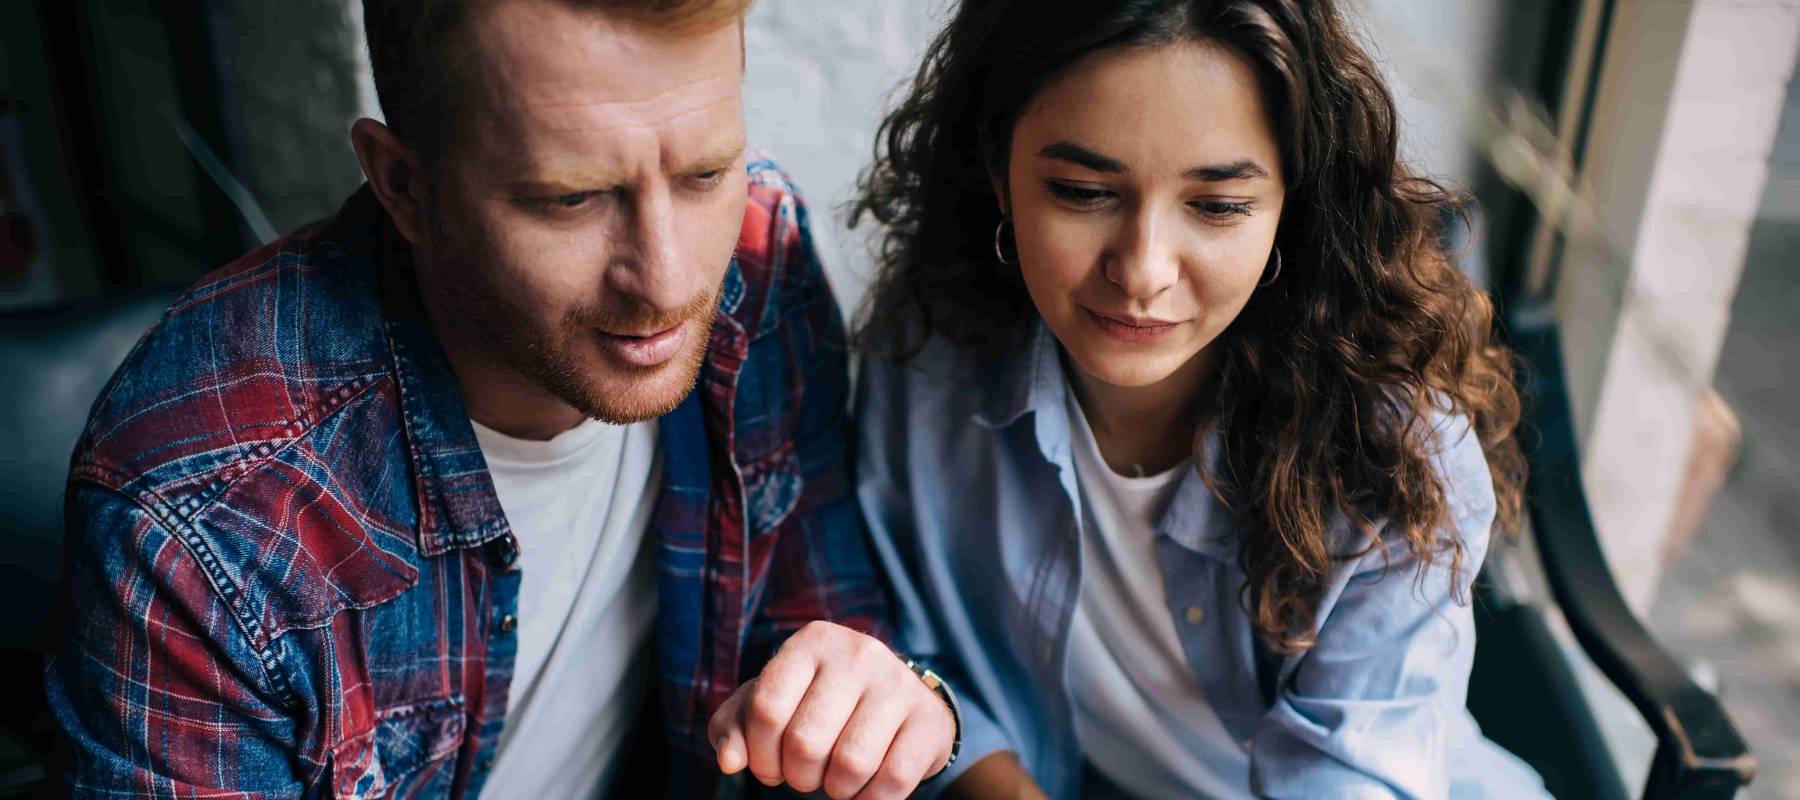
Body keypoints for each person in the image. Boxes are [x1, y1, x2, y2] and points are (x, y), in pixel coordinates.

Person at [44, 1, 956, 797]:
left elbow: (820, 619)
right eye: (570, 199)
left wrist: (889, 702)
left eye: (704, 174)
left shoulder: (757, 259)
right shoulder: (200, 515)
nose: (669, 281)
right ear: (403, 185)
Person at [851, 0, 1552, 797]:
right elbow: (910, 654)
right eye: (1082, 191)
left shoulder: (1391, 445)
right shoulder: (927, 351)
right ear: (996, 170)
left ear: (1294, 202)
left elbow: (1351, 779)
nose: (1143, 271)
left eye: (1218, 206)